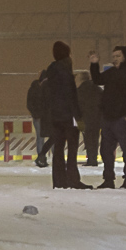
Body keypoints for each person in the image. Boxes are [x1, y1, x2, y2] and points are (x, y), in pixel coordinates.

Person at [89, 46, 126, 188]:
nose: (114, 59)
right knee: (106, 150)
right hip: (108, 117)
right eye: (113, 56)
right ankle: (108, 179)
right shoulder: (112, 73)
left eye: (118, 56)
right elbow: (97, 80)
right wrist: (94, 64)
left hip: (122, 119)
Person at [39, 40, 88, 188]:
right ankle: (73, 179)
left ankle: (59, 181)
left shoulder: (51, 71)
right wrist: (78, 117)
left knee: (58, 148)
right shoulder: (66, 70)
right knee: (72, 148)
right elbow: (71, 95)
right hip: (68, 116)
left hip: (55, 116)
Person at [77, 69, 102, 167]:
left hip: (84, 118)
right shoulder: (97, 88)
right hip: (96, 118)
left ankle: (90, 159)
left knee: (87, 138)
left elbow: (77, 105)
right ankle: (93, 159)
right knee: (95, 139)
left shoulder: (79, 90)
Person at [26, 75, 51, 168]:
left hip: (38, 117)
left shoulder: (33, 89)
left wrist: (35, 114)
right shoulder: (49, 89)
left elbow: (29, 103)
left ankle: (41, 157)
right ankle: (55, 157)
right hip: (47, 116)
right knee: (52, 137)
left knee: (40, 137)